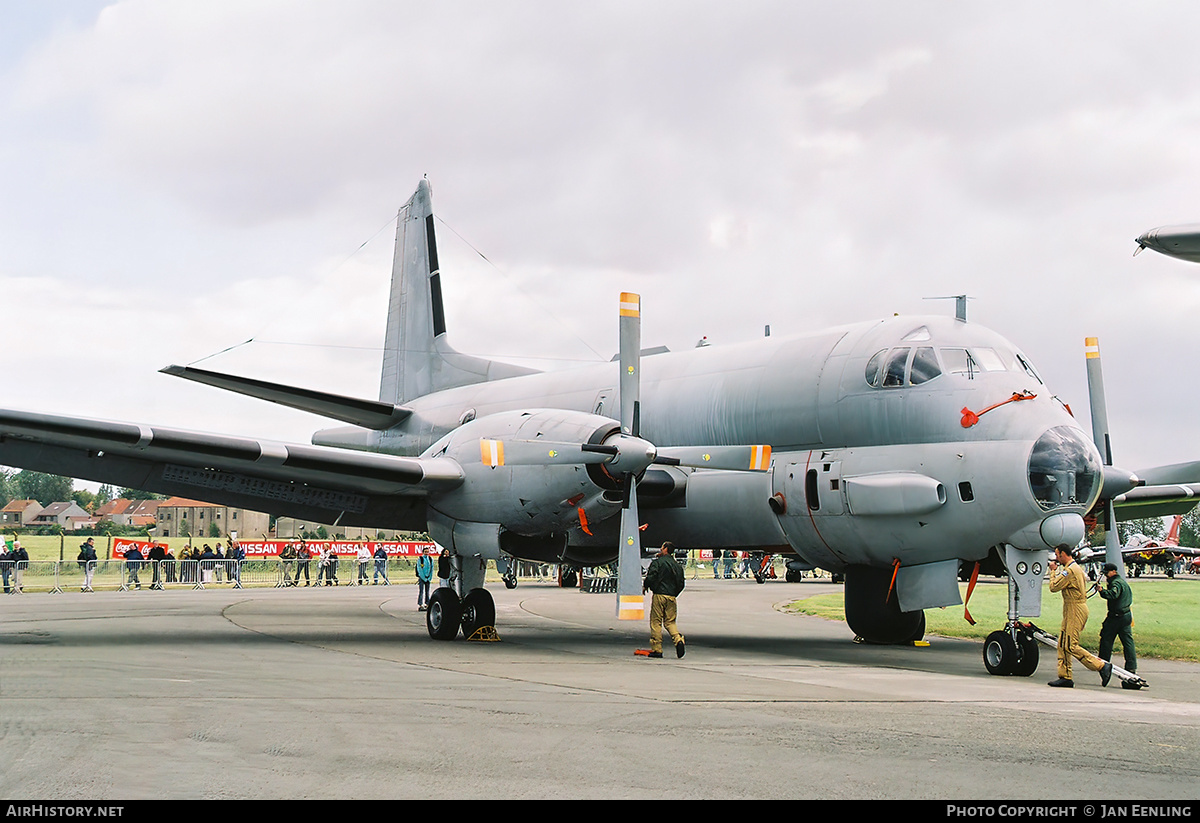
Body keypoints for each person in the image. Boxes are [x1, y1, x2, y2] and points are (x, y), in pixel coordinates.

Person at [1048, 545, 1111, 688]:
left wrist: (1053, 572)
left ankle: (1101, 666)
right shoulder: (1076, 568)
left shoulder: (1070, 571)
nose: (1057, 558)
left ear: (1063, 554)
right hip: (1071, 607)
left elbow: (1054, 587)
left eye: (1058, 555)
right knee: (1062, 644)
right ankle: (1065, 676)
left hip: (1075, 609)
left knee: (1071, 645)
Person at [642, 541, 686, 659]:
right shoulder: (677, 566)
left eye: (662, 547)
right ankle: (678, 639)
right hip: (671, 596)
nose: (661, 549)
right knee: (670, 622)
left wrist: (646, 586)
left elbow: (651, 576)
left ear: (665, 549)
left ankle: (657, 649)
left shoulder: (658, 563)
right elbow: (681, 583)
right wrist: (673, 593)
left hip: (659, 595)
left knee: (656, 622)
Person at [1095, 562, 1137, 676]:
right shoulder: (1122, 582)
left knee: (1106, 641)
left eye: (1107, 573)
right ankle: (1131, 667)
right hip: (1126, 615)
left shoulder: (1116, 583)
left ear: (1113, 572)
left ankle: (1103, 665)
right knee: (1128, 642)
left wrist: (1101, 591)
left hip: (1116, 617)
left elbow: (1113, 594)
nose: (1106, 576)